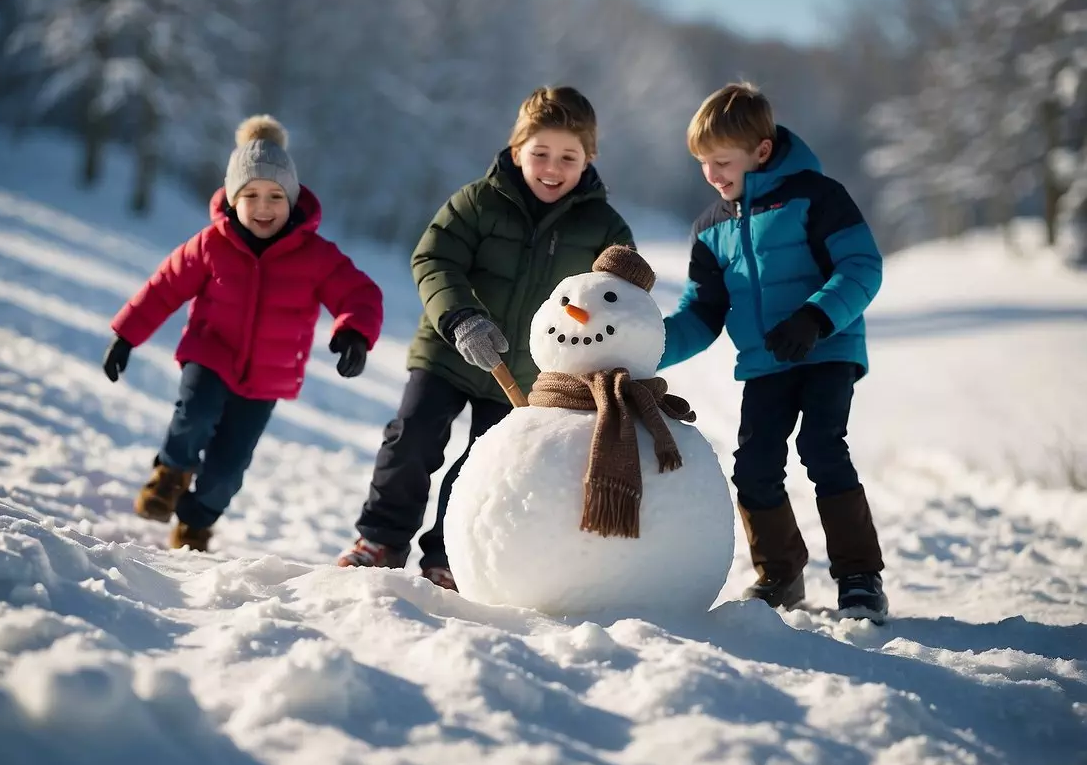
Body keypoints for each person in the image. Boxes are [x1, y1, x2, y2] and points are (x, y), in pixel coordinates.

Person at [337, 86, 635, 590]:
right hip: (449, 350)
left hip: (526, 374)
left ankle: (447, 555)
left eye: (568, 156)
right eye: (539, 153)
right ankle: (381, 539)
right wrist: (461, 319)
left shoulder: (604, 227)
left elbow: (618, 299)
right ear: (516, 150)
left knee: (484, 464)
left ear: (589, 159)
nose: (551, 167)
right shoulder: (477, 201)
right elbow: (433, 258)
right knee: (411, 439)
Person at [103, 115, 383, 551]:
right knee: (193, 414)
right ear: (233, 198)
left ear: (292, 199)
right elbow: (164, 287)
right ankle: (171, 472)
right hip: (210, 352)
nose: (264, 207)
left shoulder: (314, 256)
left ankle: (197, 520)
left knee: (229, 468)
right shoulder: (211, 244)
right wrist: (126, 335)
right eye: (250, 195)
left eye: (275, 195)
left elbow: (359, 293)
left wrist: (355, 333)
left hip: (266, 379)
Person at [660, 82, 888, 618]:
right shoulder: (710, 227)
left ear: (761, 152)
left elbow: (862, 267)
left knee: (822, 448)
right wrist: (651, 347)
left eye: (722, 161)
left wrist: (815, 318)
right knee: (754, 466)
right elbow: (702, 312)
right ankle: (780, 574)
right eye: (703, 164)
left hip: (827, 350)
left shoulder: (818, 195)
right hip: (766, 364)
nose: (713, 176)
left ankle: (860, 578)